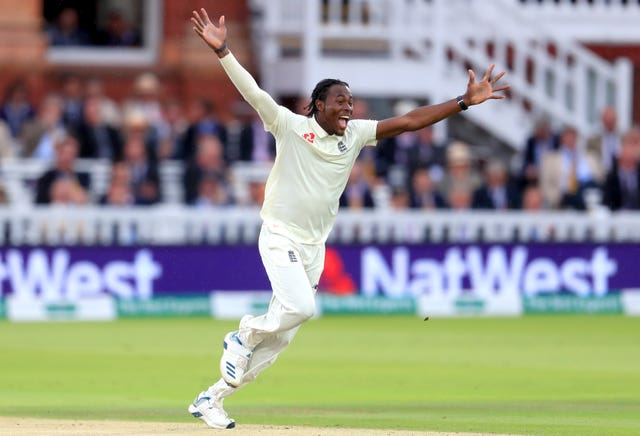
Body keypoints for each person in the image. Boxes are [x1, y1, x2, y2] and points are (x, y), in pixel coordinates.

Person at [188, 8, 509, 430]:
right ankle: (243, 334)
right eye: (340, 101)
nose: (348, 108)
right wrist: (225, 50)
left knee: (281, 340)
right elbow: (253, 93)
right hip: (280, 234)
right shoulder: (289, 126)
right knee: (300, 308)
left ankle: (212, 398)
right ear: (318, 104)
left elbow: (410, 121)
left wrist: (464, 101)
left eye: (351, 102)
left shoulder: (355, 135)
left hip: (313, 247)